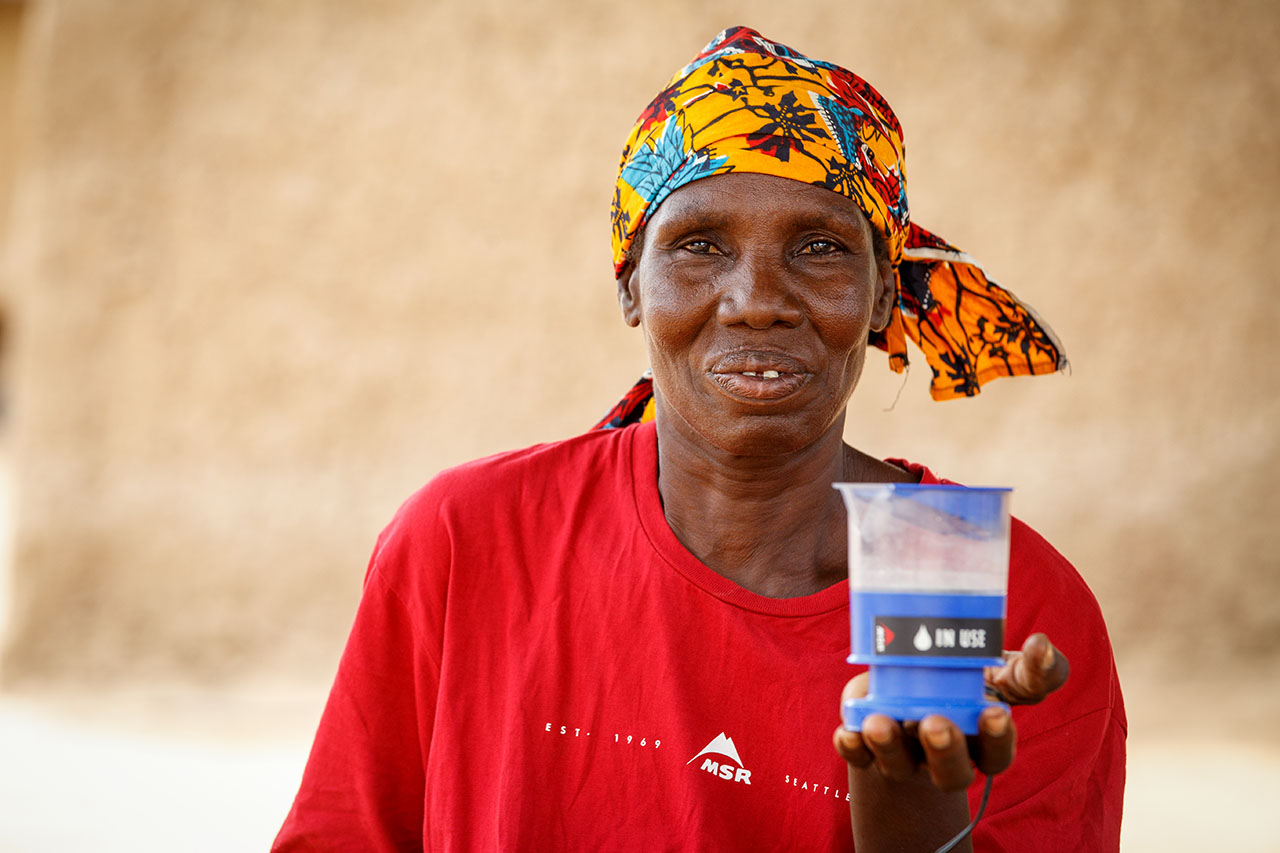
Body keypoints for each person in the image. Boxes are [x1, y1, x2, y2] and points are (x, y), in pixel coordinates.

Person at [274, 26, 1125, 851]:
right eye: (700, 245)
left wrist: (913, 812)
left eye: (821, 247)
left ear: (878, 297)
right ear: (631, 287)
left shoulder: (1003, 605)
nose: (756, 297)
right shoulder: (469, 544)